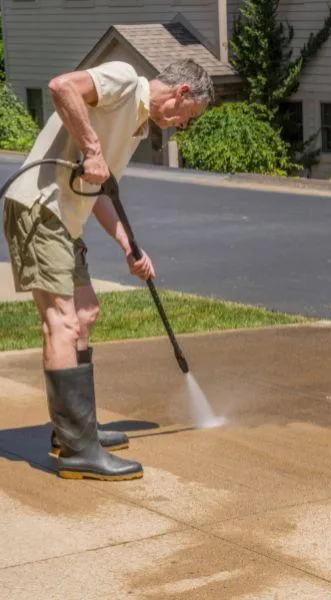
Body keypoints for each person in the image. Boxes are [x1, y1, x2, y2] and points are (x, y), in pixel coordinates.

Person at [2, 59, 214, 481]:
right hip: (40, 209)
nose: (179, 127)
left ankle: (77, 429)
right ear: (181, 94)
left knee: (85, 314)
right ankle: (79, 450)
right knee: (62, 322)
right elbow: (61, 85)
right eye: (186, 118)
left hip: (64, 218)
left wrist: (128, 246)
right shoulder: (123, 80)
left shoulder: (134, 125)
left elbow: (99, 188)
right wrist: (94, 150)